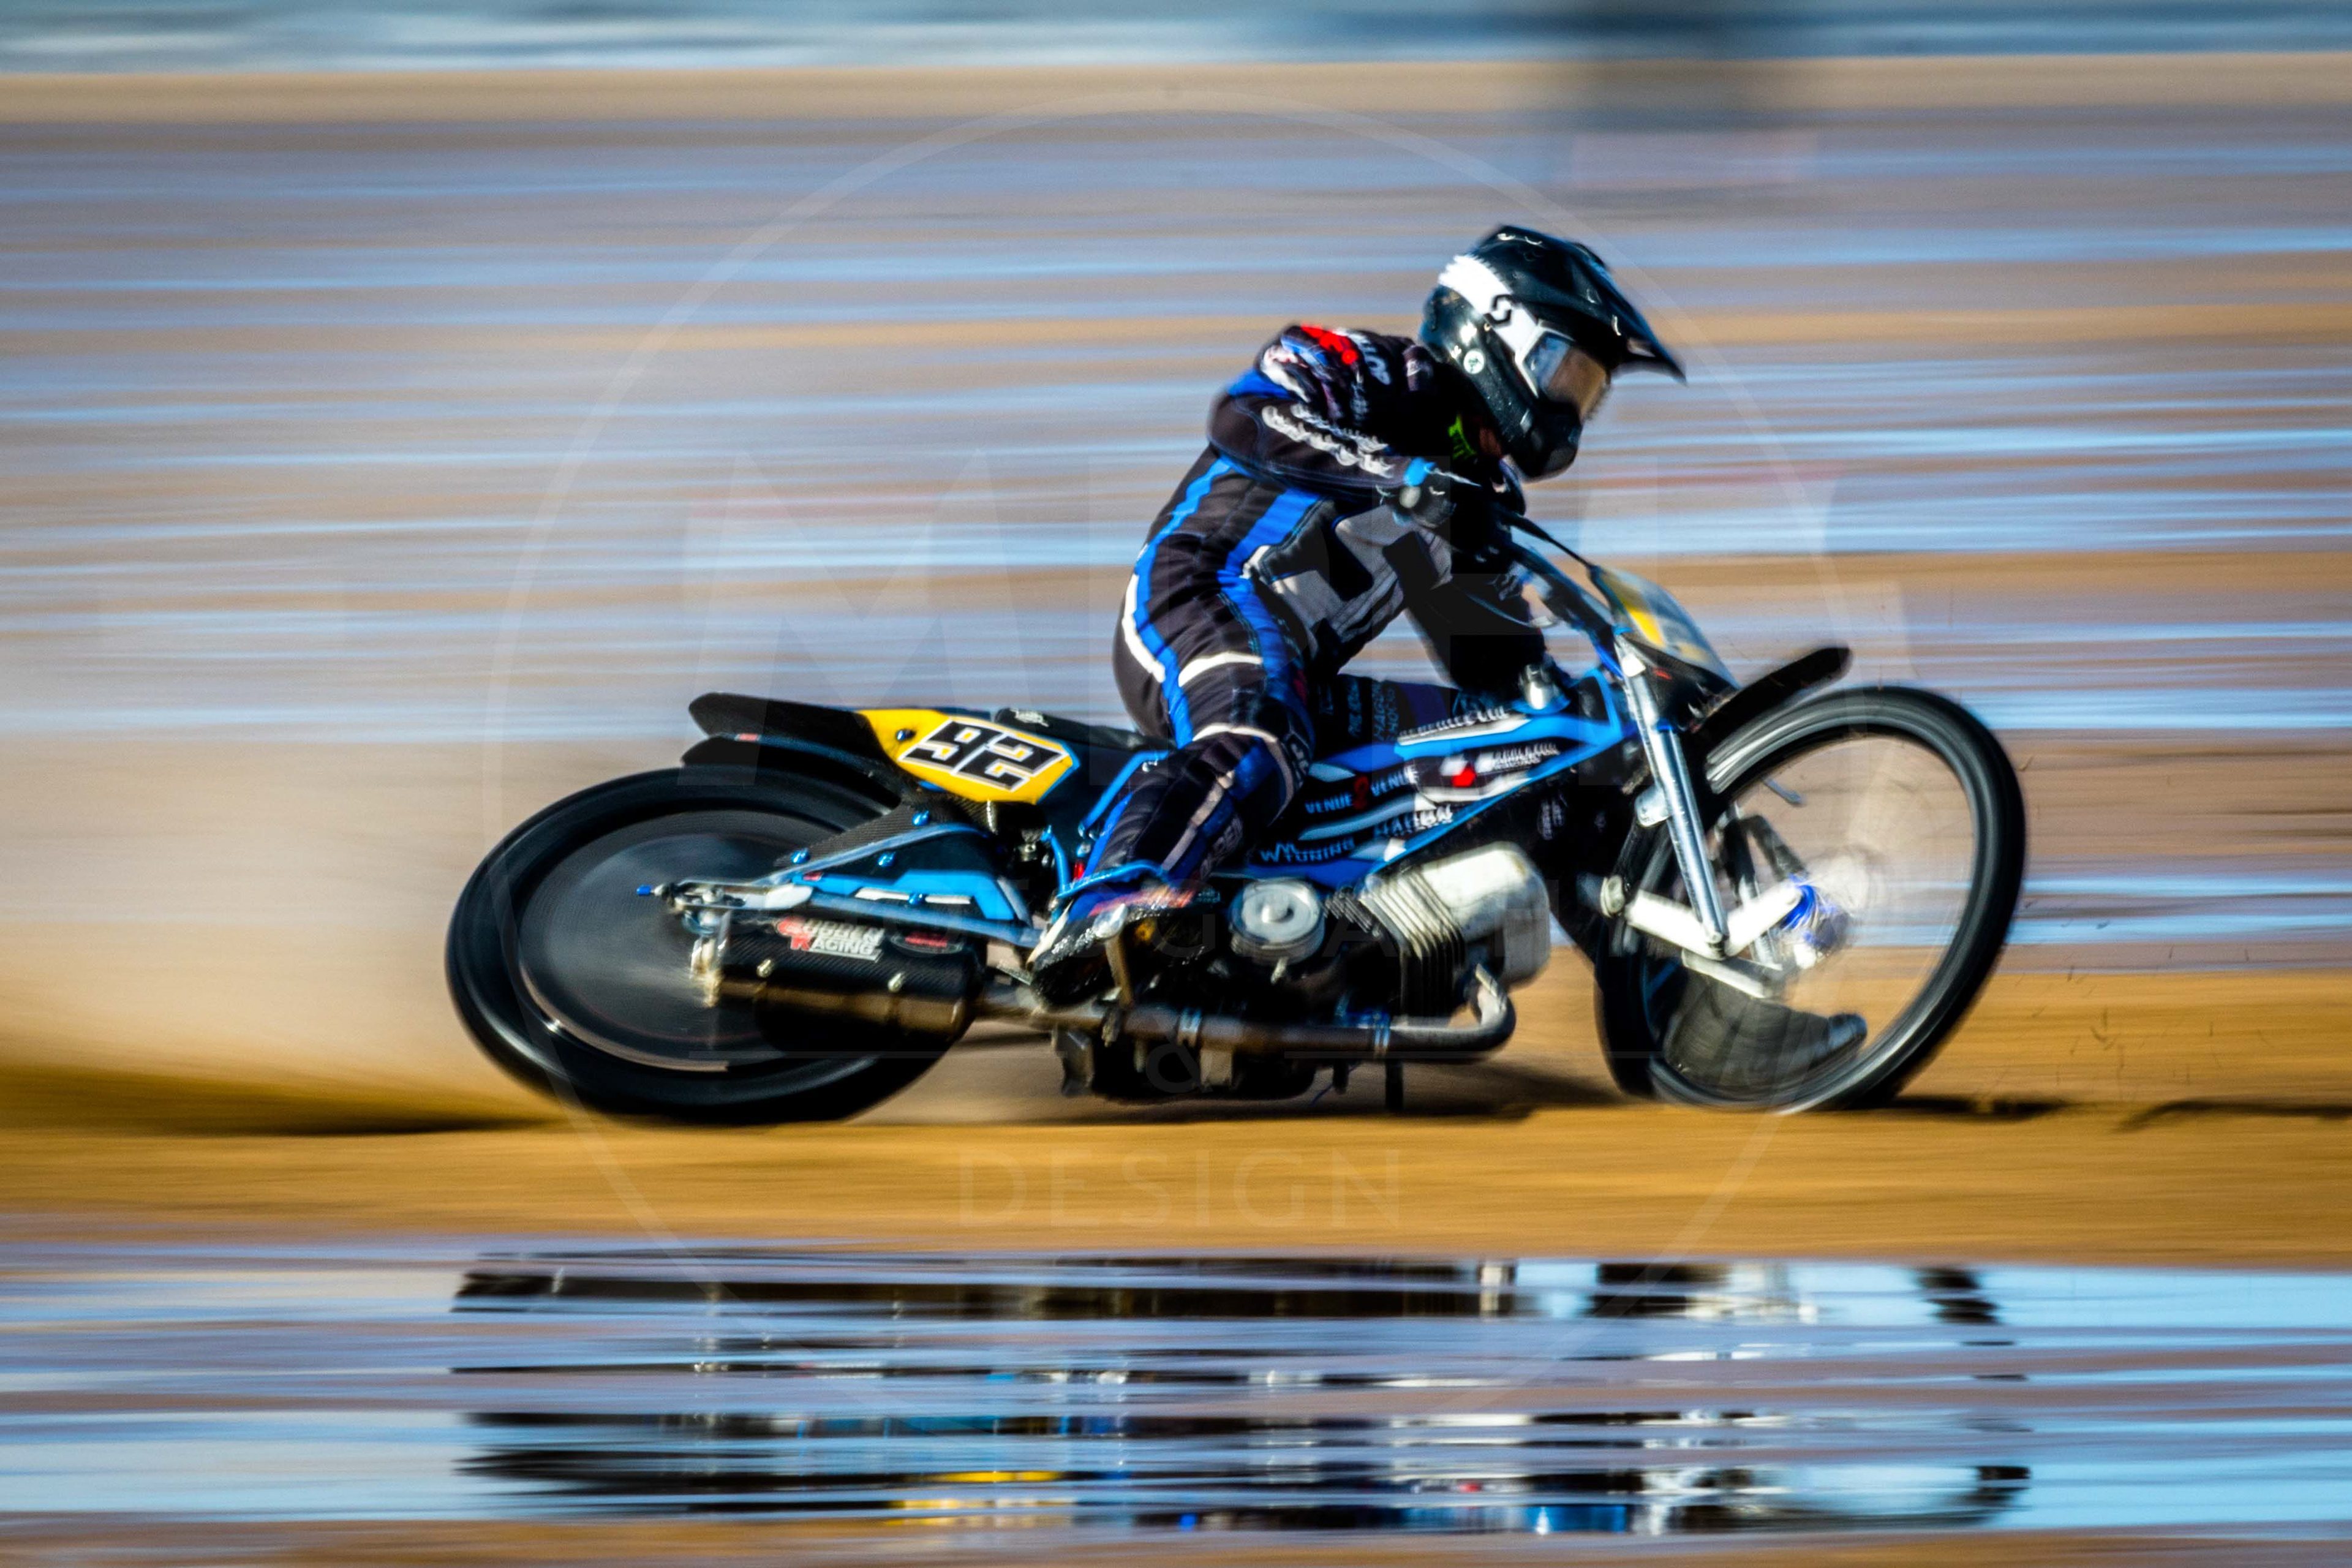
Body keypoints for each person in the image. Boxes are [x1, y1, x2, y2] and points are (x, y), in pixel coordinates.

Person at [1030, 225, 1683, 1000]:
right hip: (1196, 598)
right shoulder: (1372, 371)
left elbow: (1493, 662)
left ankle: (1684, 1010)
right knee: (1260, 732)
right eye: (1567, 371)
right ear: (1497, 331)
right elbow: (1247, 418)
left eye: (1590, 390)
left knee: (1539, 773)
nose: (1572, 405)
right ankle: (1106, 906)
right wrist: (1405, 478)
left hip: (1299, 674)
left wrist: (1591, 726)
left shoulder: (1473, 500)